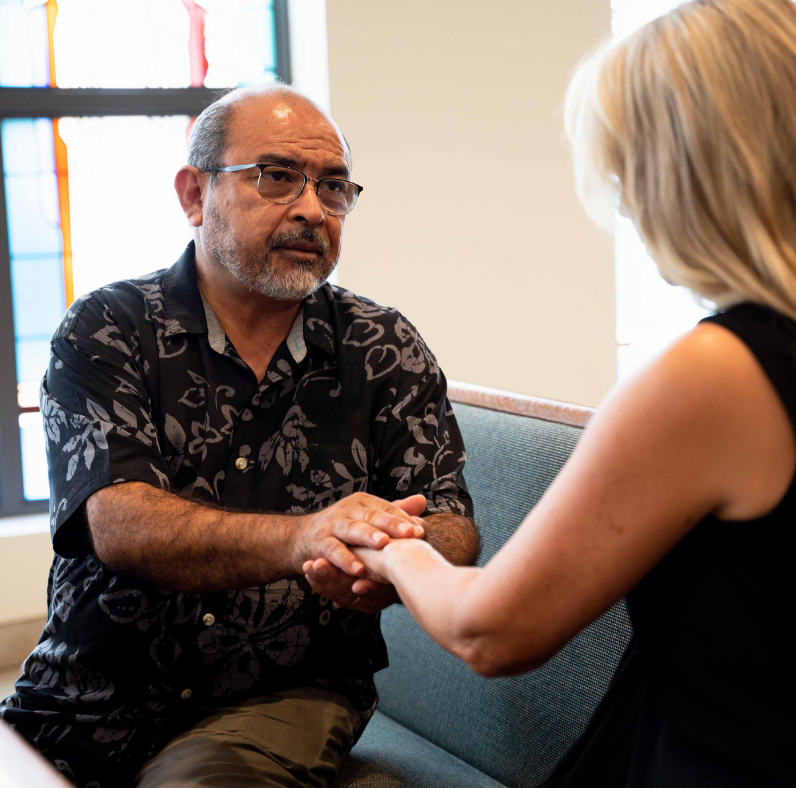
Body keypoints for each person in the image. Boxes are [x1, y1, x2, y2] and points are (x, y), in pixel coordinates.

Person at [334, 1, 796, 785]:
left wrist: (394, 549)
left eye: (624, 172)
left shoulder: (717, 376)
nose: (626, 206)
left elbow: (492, 631)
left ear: (679, 176)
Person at [0, 84, 478, 788]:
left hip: (287, 691)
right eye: (277, 176)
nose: (313, 209)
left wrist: (388, 553)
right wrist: (305, 537)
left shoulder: (382, 344)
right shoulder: (107, 328)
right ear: (195, 195)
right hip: (88, 688)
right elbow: (119, 522)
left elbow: (453, 527)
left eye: (334, 187)